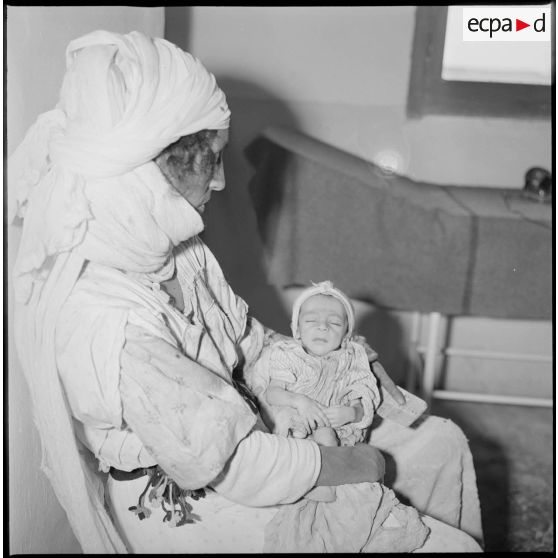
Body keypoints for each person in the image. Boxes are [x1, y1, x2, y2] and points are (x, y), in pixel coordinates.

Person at [9, 30, 483, 553]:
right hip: (190, 497)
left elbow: (248, 341)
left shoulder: (177, 250)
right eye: (211, 159)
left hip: (263, 429)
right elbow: (236, 463)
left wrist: (323, 358)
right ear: (152, 168)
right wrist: (355, 463)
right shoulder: (103, 320)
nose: (220, 183)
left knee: (442, 442)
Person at [244, 280, 431, 552]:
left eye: (334, 323)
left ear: (346, 333)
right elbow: (273, 393)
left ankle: (325, 479)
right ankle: (314, 480)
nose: (322, 327)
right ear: (296, 329)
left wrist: (350, 412)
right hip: (298, 423)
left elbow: (364, 400)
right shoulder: (288, 355)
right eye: (312, 321)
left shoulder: (352, 359)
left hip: (337, 431)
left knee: (338, 441)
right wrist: (300, 401)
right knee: (311, 439)